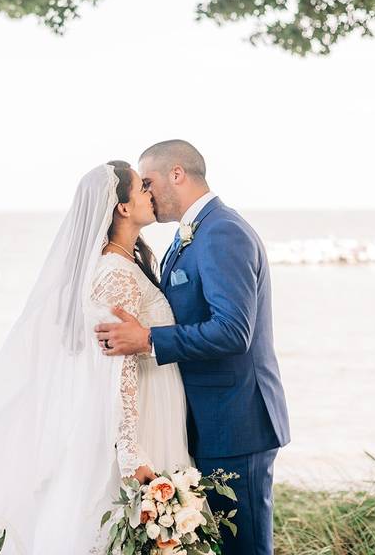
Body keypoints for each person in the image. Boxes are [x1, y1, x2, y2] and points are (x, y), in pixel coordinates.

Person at [0, 160, 191, 555]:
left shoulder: (125, 264)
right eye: (142, 189)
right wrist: (131, 452)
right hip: (140, 421)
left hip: (152, 408)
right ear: (121, 206)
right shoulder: (116, 273)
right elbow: (117, 367)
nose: (150, 195)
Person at [96, 139, 290, 555]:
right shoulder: (187, 237)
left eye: (148, 181)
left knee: (247, 549)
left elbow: (234, 331)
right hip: (204, 424)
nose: (145, 192)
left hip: (236, 423)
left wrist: (148, 340)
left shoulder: (223, 232)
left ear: (177, 174)